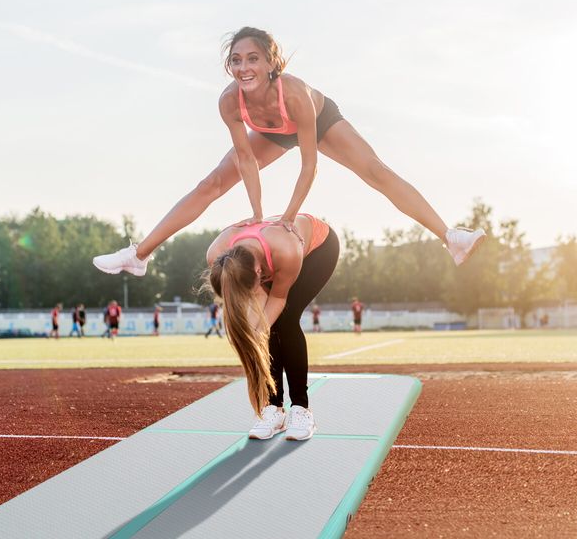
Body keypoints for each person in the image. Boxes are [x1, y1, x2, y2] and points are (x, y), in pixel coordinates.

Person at [93, 27, 485, 277]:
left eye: (253, 59)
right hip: (275, 132)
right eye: (236, 60)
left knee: (374, 171)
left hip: (316, 120)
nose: (243, 67)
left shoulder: (293, 91)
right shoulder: (229, 102)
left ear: (270, 63)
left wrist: (290, 217)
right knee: (210, 183)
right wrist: (260, 214)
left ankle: (450, 236)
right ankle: (138, 255)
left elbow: (309, 163)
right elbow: (247, 160)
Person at [203, 212, 339, 441]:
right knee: (269, 325)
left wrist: (257, 330)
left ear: (259, 272)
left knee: (285, 318)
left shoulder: (285, 251)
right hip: (265, 253)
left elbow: (277, 299)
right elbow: (243, 301)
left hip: (319, 248)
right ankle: (273, 408)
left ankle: (301, 409)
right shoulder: (217, 257)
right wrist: (251, 335)